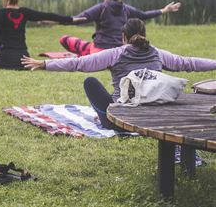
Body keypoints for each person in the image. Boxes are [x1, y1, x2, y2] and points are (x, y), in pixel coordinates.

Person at [22, 18, 216, 129]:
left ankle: (103, 116)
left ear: (123, 37)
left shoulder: (115, 54)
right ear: (144, 35)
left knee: (90, 81)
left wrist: (45, 64)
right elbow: (189, 63)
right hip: (154, 120)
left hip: (120, 121)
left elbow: (78, 63)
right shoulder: (158, 53)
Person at [59, 0, 181, 56]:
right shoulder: (126, 9)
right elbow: (143, 15)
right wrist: (164, 10)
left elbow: (79, 19)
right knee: (88, 47)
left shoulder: (101, 8)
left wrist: (55, 20)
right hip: (119, 52)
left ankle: (86, 53)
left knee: (64, 39)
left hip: (99, 51)